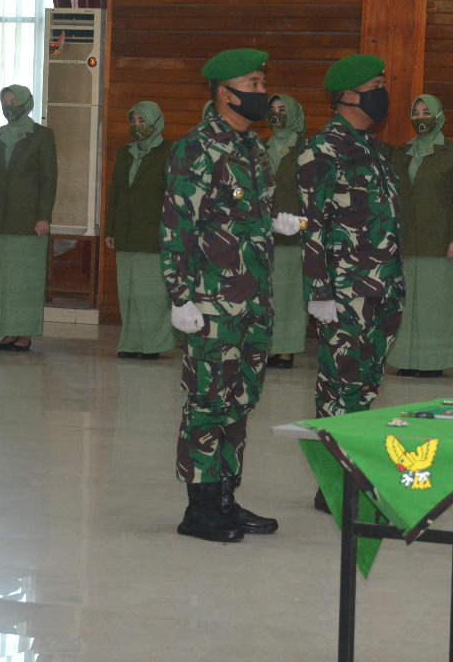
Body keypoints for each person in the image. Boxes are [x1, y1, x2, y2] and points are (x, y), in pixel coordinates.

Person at [161, 48, 301, 543]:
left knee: (239, 400)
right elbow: (178, 226)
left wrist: (275, 223)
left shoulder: (252, 148)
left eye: (263, 83)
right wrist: (180, 297)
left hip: (252, 300)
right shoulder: (197, 147)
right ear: (226, 93)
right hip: (211, 302)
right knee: (206, 401)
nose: (263, 92)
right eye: (255, 83)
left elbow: (240, 218)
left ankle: (225, 497)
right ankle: (198, 508)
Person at [297, 54, 405, 510]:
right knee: (339, 387)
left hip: (382, 287)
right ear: (348, 95)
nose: (384, 92)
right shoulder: (320, 150)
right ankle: (333, 482)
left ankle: (353, 474)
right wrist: (319, 292)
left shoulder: (375, 150)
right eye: (376, 84)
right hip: (344, 292)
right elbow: (311, 227)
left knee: (364, 386)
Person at [387, 94, 453, 377]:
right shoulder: (400, 153)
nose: (421, 117)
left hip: (440, 240)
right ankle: (407, 360)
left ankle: (433, 361)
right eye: (417, 112)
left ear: (438, 116)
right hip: (406, 239)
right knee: (406, 303)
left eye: (427, 112)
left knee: (436, 305)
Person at [0, 85, 57, 351]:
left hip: (29, 219)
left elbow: (48, 179)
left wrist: (44, 216)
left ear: (26, 103)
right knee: (3, 280)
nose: (10, 106)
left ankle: (25, 334)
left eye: (14, 101)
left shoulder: (42, 136)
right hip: (0, 217)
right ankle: (7, 332)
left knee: (26, 280)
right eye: (5, 101)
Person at [104, 101, 175, 359]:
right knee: (129, 292)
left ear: (155, 122)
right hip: (126, 232)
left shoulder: (168, 151)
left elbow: (174, 197)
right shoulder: (125, 152)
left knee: (152, 294)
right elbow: (116, 192)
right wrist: (110, 229)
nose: (137, 126)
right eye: (133, 121)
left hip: (153, 233)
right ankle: (131, 342)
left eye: (142, 121)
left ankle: (153, 344)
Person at [265, 94, 308, 369]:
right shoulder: (259, 147)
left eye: (282, 110)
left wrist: (305, 225)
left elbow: (314, 193)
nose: (276, 115)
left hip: (294, 233)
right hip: (263, 233)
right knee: (267, 293)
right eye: (272, 110)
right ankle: (268, 346)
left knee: (290, 293)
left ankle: (286, 349)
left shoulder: (306, 149)